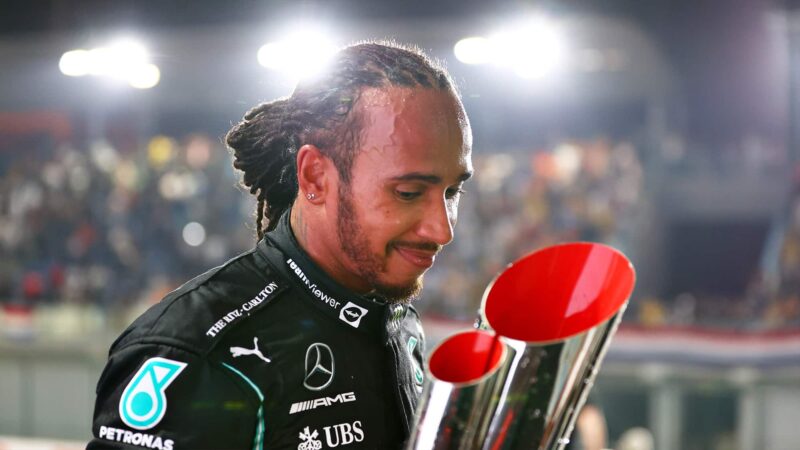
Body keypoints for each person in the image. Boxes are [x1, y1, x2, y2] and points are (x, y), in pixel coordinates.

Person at [88, 41, 473, 450]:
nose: (442, 230)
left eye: (452, 192)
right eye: (410, 193)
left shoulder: (395, 318)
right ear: (315, 177)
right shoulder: (195, 355)